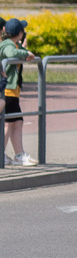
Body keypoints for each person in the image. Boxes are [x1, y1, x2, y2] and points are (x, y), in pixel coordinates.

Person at [0, 18, 36, 166]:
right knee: (9, 123)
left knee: (17, 121)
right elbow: (10, 53)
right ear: (20, 33)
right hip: (8, 91)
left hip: (13, 91)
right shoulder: (8, 45)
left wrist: (23, 50)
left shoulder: (14, 44)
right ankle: (9, 154)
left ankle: (19, 154)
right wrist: (25, 51)